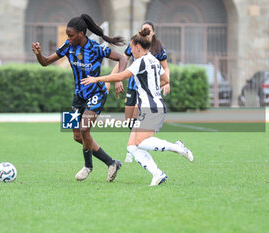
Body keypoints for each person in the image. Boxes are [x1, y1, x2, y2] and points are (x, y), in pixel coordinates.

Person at [81, 28, 194, 186]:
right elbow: (166, 79)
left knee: (141, 142)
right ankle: (157, 174)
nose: (131, 51)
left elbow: (120, 76)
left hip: (151, 108)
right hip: (154, 106)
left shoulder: (140, 62)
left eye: (132, 48)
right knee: (132, 147)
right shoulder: (153, 59)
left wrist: (96, 79)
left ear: (138, 47)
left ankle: (177, 147)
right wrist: (153, 87)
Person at [32, 14, 127, 182]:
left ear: (81, 34)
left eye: (70, 35)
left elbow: (122, 58)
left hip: (96, 94)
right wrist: (39, 54)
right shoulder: (68, 46)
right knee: (77, 136)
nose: (68, 38)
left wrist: (118, 78)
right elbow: (45, 62)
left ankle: (87, 167)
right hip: (79, 96)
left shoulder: (95, 48)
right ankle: (112, 163)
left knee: (84, 130)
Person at [121, 21, 171, 163]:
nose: (146, 32)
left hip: (147, 91)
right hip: (133, 86)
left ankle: (135, 147)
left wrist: (166, 82)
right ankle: (135, 145)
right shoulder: (135, 43)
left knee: (141, 116)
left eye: (148, 30)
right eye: (143, 29)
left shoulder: (158, 47)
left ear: (153, 32)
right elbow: (123, 61)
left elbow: (165, 68)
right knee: (129, 118)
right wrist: (115, 80)